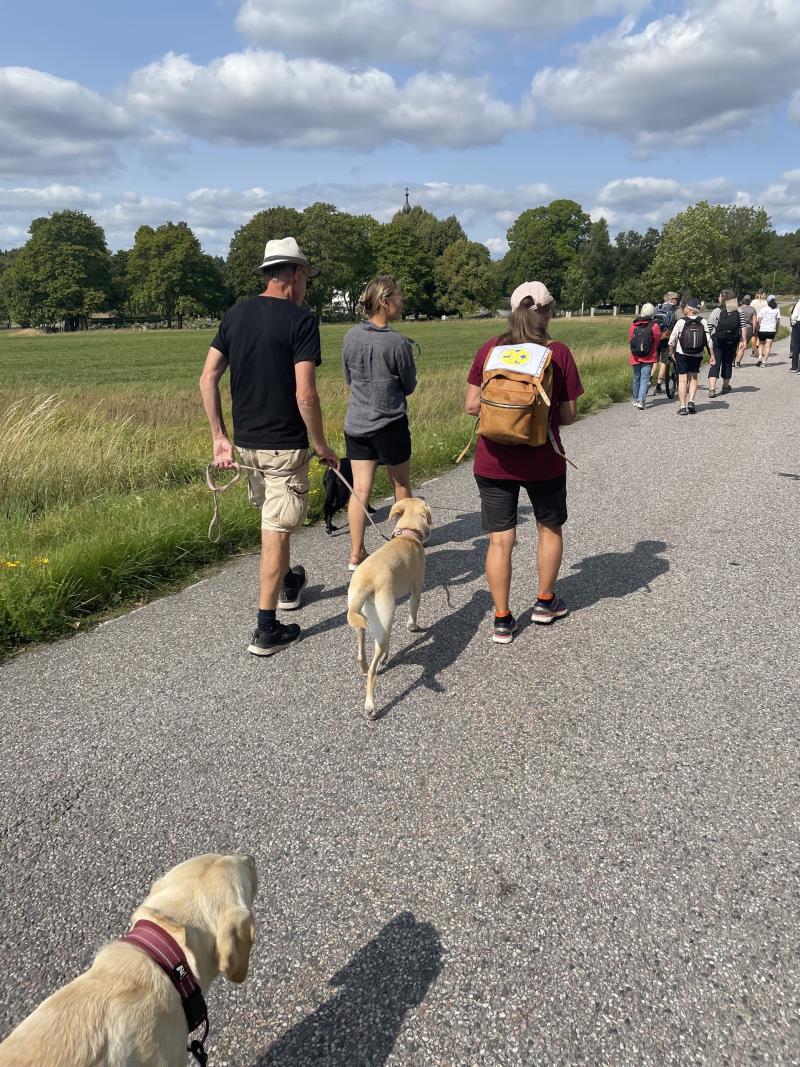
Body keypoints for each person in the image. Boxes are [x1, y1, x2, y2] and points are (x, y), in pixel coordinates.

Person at [200, 236, 338, 657]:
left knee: (273, 520)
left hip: (246, 448)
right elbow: (305, 396)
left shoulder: (235, 315)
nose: (306, 288)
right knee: (277, 531)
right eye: (306, 279)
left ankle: (289, 583)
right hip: (284, 448)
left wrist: (219, 438)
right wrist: (321, 445)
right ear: (294, 275)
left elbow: (207, 378)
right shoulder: (301, 321)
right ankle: (267, 627)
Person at [465, 281, 583, 644]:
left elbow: (471, 406)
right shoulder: (557, 352)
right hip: (543, 460)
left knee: (500, 541)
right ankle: (545, 603)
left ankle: (502, 619)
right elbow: (567, 416)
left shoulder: (491, 349)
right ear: (547, 313)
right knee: (548, 528)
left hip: (493, 460)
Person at [342, 275, 417, 571]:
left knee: (360, 489)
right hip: (390, 422)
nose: (402, 302)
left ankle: (356, 553)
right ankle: (404, 541)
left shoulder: (350, 336)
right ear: (385, 302)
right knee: (401, 484)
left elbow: (349, 379)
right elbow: (408, 384)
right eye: (399, 298)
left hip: (356, 423)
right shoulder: (397, 342)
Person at [668, 297, 713, 415]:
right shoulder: (702, 321)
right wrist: (712, 355)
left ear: (688, 308)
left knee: (682, 380)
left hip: (682, 353)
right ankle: (691, 401)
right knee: (693, 377)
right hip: (697, 353)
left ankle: (683, 406)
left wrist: (672, 352)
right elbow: (709, 341)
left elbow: (672, 340)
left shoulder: (681, 322)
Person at [706, 289, 741, 398]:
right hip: (731, 341)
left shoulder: (717, 311)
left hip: (717, 340)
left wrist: (710, 337)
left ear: (722, 298)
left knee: (715, 362)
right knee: (727, 362)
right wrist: (742, 340)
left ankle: (712, 388)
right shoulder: (737, 311)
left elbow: (709, 326)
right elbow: (742, 326)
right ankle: (725, 386)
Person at [628, 302, 661, 409]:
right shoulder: (654, 325)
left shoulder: (634, 324)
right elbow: (657, 339)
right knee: (644, 378)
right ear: (652, 312)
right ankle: (641, 401)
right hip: (648, 356)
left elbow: (630, 339)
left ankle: (635, 399)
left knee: (636, 377)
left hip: (635, 355)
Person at [652, 292, 680, 394]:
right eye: (676, 298)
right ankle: (658, 385)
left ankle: (649, 379)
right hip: (667, 338)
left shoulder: (657, 308)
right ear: (671, 299)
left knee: (654, 360)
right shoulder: (676, 310)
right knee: (664, 362)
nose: (677, 300)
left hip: (655, 338)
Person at [755, 295, 781, 366]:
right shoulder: (777, 310)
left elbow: (759, 320)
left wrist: (761, 326)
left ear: (767, 301)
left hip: (763, 329)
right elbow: (777, 321)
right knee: (768, 346)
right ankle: (764, 362)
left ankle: (760, 357)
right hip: (771, 330)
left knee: (761, 344)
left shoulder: (763, 309)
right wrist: (776, 329)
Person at [736, 295, 758, 366]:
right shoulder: (752, 309)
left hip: (737, 328)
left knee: (736, 345)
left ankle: (733, 361)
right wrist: (754, 331)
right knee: (742, 345)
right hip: (748, 328)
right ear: (750, 301)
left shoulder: (738, 308)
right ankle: (738, 362)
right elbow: (754, 321)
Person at [790, 295, 800, 373]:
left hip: (798, 324)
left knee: (796, 345)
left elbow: (794, 315)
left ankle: (795, 367)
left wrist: (793, 323)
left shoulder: (799, 303)